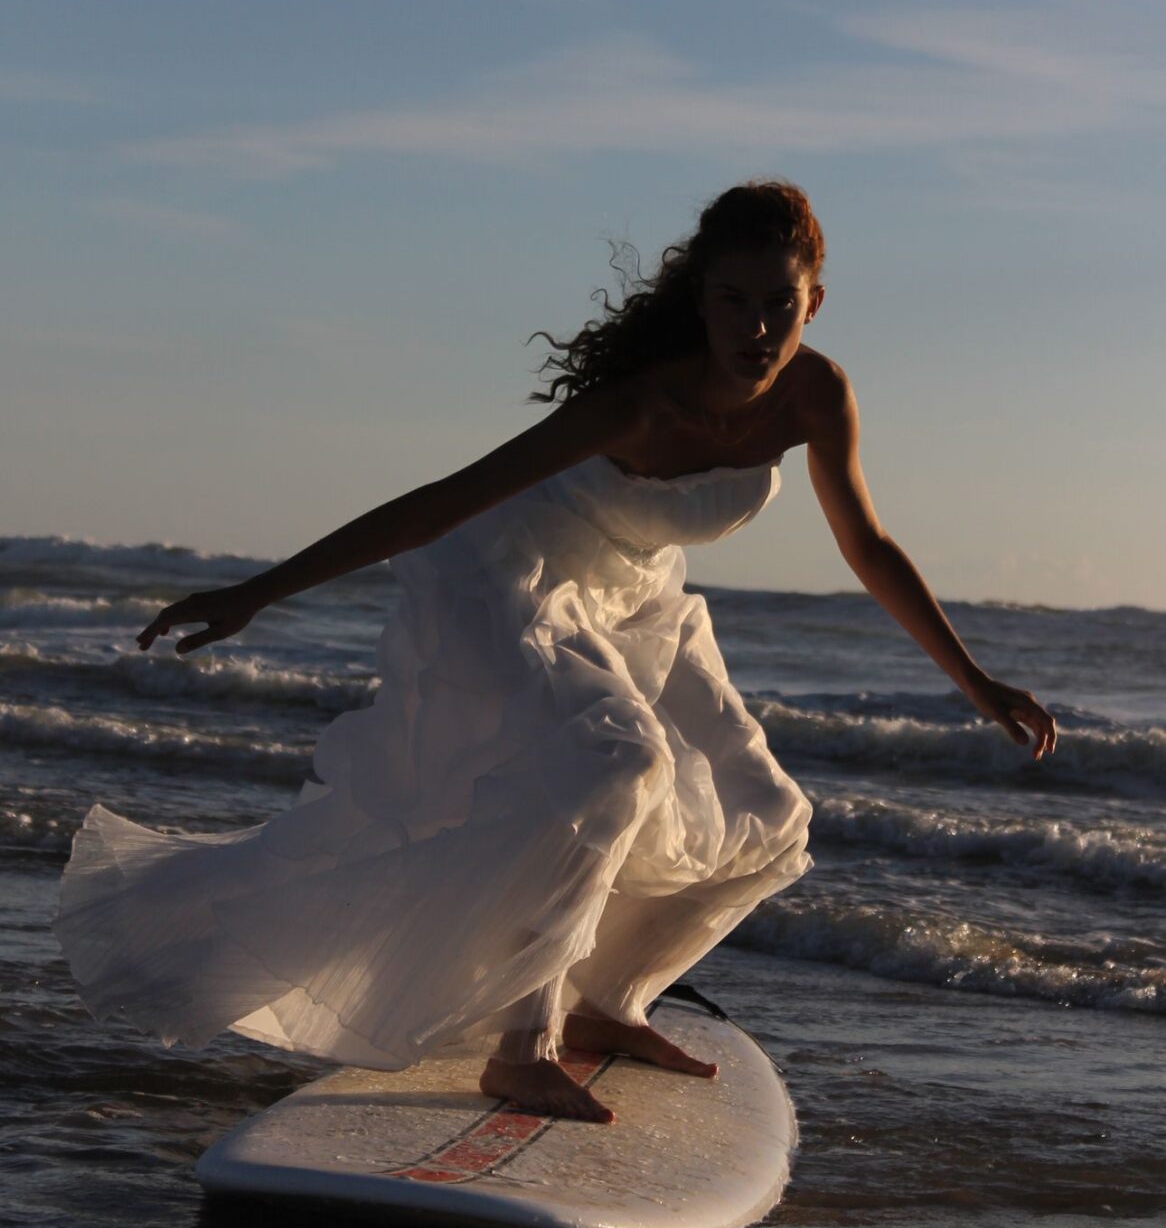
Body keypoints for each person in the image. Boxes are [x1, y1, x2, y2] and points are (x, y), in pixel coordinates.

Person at [53, 179, 1056, 1125]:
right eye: (733, 301)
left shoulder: (816, 395)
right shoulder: (638, 404)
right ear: (700, 302)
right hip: (513, 578)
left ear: (814, 303)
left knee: (766, 814)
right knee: (614, 765)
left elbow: (867, 547)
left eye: (778, 305)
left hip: (632, 597)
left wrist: (971, 680)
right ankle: (520, 1044)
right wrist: (255, 594)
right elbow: (442, 503)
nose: (756, 328)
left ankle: (605, 1002)